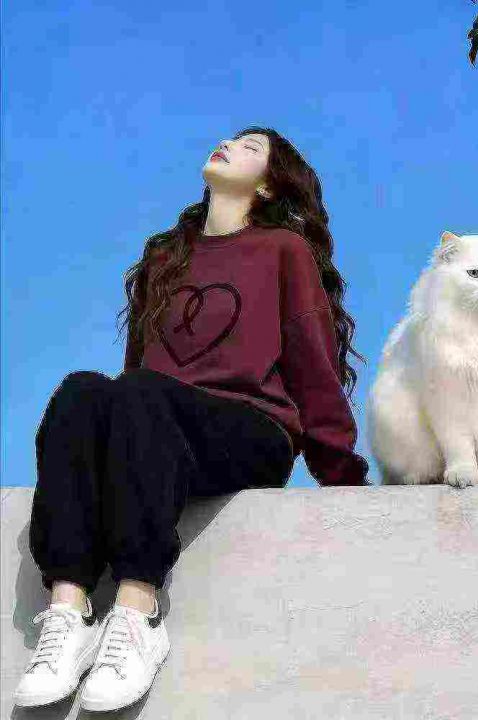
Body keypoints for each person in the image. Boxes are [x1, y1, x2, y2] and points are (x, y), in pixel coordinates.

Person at [13, 126, 371, 712]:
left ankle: (137, 611)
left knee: (139, 392)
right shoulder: (165, 255)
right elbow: (136, 372)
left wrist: (342, 473)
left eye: (251, 148)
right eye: (231, 138)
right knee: (82, 391)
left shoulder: (283, 249)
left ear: (267, 185)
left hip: (250, 429)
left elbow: (312, 361)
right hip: (161, 421)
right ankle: (68, 611)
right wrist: (118, 442)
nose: (229, 145)